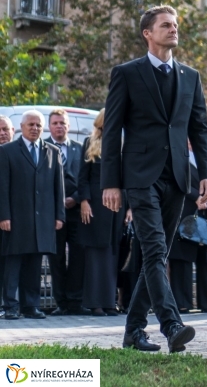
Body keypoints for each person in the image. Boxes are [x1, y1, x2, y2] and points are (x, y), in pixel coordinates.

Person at [102, 4, 207, 353]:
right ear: (147, 33)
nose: (173, 29)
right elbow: (111, 130)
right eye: (166, 25)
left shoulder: (190, 76)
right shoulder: (127, 73)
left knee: (154, 256)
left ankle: (133, 332)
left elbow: (199, 128)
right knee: (154, 252)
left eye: (176, 24)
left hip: (178, 179)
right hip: (140, 176)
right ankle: (171, 325)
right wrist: (111, 182)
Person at [0, 110, 65, 319]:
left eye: (38, 125)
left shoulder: (53, 152)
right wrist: (4, 216)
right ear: (21, 127)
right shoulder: (8, 151)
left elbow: (59, 187)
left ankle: (31, 306)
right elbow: (3, 187)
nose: (35, 128)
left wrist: (59, 216)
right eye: (31, 125)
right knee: (13, 263)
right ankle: (11, 306)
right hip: (16, 218)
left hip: (42, 220)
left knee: (35, 264)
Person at [77, 109, 125, 316]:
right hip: (95, 206)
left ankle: (109, 302)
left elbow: (128, 179)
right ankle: (95, 303)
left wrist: (129, 207)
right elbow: (82, 178)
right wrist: (84, 202)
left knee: (112, 254)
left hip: (117, 207)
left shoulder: (124, 143)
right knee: (96, 254)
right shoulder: (90, 143)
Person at [168, 141, 207, 313]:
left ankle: (206, 302)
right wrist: (194, 196)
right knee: (183, 259)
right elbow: (174, 180)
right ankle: (182, 303)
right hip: (186, 210)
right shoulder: (176, 156)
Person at [46, 109, 89, 316]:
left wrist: (77, 199)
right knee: (56, 258)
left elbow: (87, 178)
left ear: (69, 126)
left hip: (76, 212)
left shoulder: (81, 149)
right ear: (49, 126)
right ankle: (61, 302)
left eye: (62, 123)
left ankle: (75, 301)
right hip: (53, 213)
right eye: (55, 123)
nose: (59, 126)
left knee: (78, 256)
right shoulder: (42, 148)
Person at [0, 115, 14, 318]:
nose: (2, 133)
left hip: (11, 221)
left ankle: (9, 305)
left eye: (5, 129)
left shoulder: (17, 154)